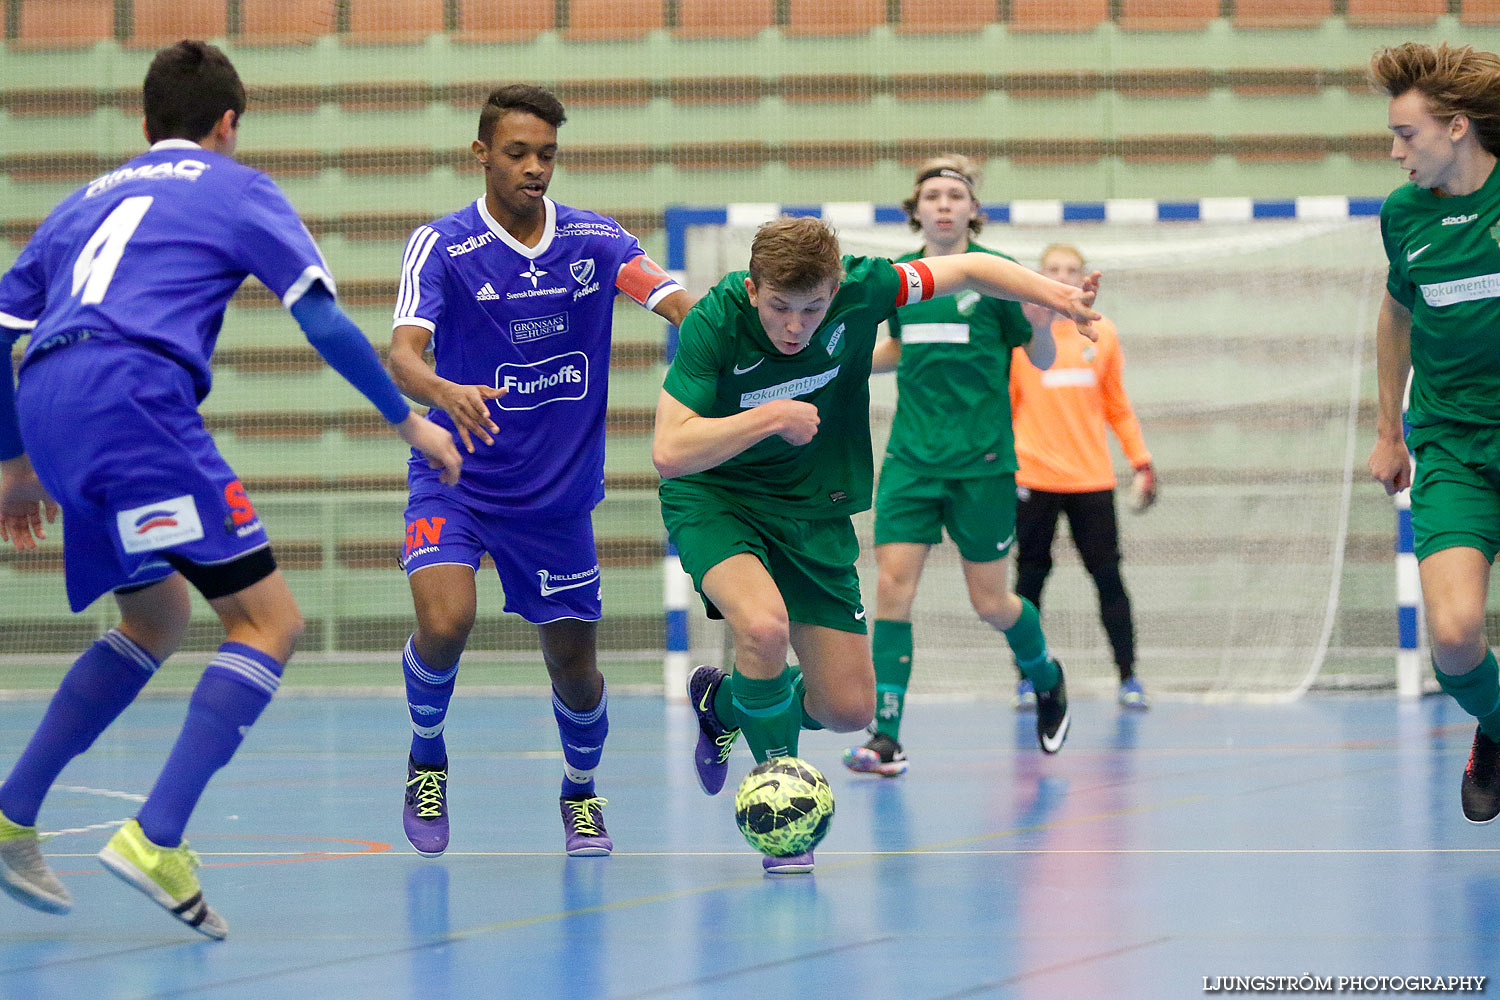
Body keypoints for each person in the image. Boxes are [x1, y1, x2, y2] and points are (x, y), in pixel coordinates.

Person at [0, 41, 461, 939]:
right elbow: (318, 314)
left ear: (143, 126)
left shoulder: (77, 205)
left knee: (156, 618)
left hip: (50, 404)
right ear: (227, 126)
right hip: (137, 401)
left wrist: (13, 463)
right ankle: (155, 835)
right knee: (269, 622)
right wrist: (407, 420)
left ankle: (12, 811)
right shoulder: (235, 186)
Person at [654, 215, 1099, 872]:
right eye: (780, 307)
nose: (796, 326)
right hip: (720, 499)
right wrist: (767, 418)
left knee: (849, 707)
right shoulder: (714, 321)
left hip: (813, 511)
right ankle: (784, 809)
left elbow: (970, 270)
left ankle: (721, 701)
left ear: (837, 288)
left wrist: (1055, 297)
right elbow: (670, 451)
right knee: (765, 628)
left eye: (813, 308)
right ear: (753, 289)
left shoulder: (866, 287)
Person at [390, 84, 692, 859]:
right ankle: (427, 755)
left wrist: (730, 332)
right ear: (482, 153)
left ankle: (581, 792)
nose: (534, 168)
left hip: (555, 501)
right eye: (518, 153)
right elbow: (403, 355)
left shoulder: (596, 239)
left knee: (576, 670)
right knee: (445, 621)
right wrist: (444, 391)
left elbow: (669, 297)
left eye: (547, 155)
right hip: (456, 476)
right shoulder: (442, 246)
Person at [839, 157, 1085, 779]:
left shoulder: (1000, 277)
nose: (944, 205)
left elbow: (1045, 358)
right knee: (892, 591)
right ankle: (887, 735)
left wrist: (1040, 320)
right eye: (932, 196)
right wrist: (839, 361)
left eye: (955, 195)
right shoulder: (898, 279)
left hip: (983, 466)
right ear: (915, 210)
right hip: (910, 462)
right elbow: (901, 345)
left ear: (972, 209)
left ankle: (1046, 676)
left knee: (991, 602)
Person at [1367, 41, 1500, 825]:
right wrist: (1390, 430)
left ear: (1456, 127)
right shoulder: (1403, 214)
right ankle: (1495, 722)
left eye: (1406, 135)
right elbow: (1397, 312)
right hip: (1451, 444)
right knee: (1452, 637)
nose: (1394, 151)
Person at [1009, 242, 1156, 712]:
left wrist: (1141, 461)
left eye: (1072, 270)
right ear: (1040, 276)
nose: (1064, 276)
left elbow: (1117, 405)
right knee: (1029, 581)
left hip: (1092, 480)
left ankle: (1129, 677)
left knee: (1108, 577)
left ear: (1084, 277)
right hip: (1033, 477)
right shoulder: (1022, 337)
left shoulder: (1102, 333)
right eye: (1053, 269)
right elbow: (1004, 407)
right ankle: (1029, 680)